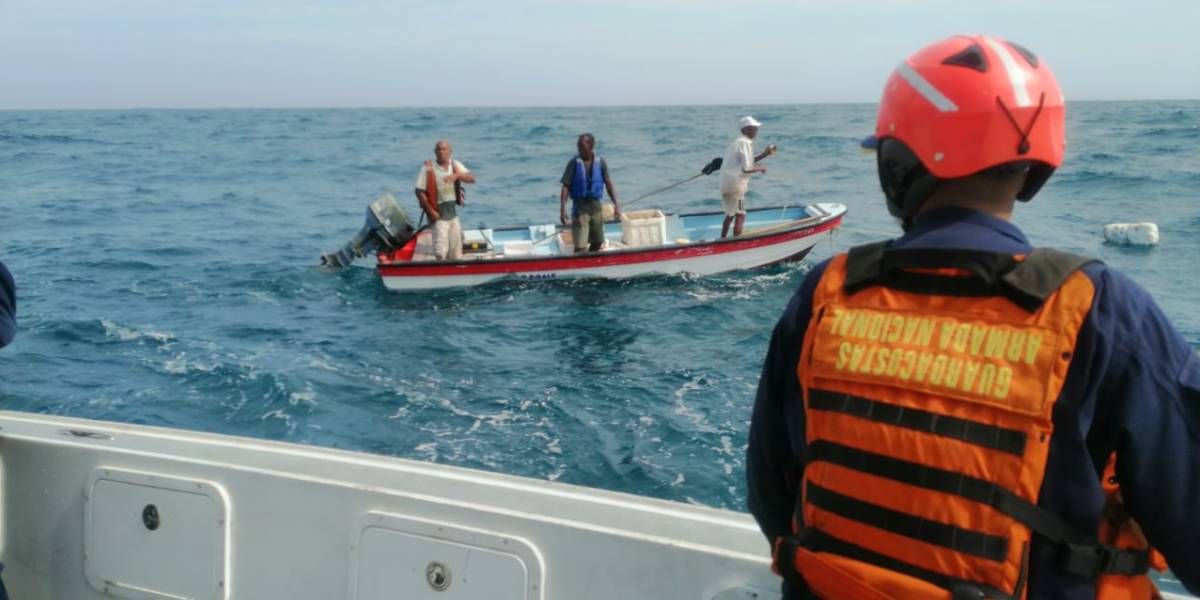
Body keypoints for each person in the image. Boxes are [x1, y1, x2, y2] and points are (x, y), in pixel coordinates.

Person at [746, 35, 1200, 600]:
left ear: (898, 165)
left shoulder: (827, 292)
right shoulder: (1099, 308)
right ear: (1033, 165)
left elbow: (770, 494)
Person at [414, 140, 475, 260]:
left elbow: (471, 178)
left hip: (452, 214)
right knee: (441, 251)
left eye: (444, 149)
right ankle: (439, 273)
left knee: (456, 251)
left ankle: (455, 273)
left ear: (450, 152)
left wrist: (457, 176)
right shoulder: (428, 168)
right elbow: (419, 191)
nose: (441, 152)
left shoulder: (455, 165)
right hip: (438, 214)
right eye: (439, 149)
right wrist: (431, 212)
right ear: (435, 152)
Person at [560, 133, 621, 253]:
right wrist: (563, 209)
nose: (579, 149)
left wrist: (616, 204)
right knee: (581, 247)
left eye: (582, 146)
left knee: (598, 242)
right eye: (578, 146)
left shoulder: (601, 162)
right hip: (580, 209)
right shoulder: (573, 163)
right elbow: (565, 186)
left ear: (591, 146)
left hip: (596, 208)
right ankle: (579, 265)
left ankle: (593, 263)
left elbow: (608, 183)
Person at [719, 116, 777, 238]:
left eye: (756, 128)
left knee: (731, 214)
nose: (755, 131)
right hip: (735, 186)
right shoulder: (745, 143)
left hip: (727, 184)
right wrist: (760, 168)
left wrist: (765, 154)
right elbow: (746, 168)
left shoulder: (738, 142)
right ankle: (736, 241)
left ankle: (722, 239)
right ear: (744, 130)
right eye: (752, 128)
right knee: (741, 214)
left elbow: (747, 162)